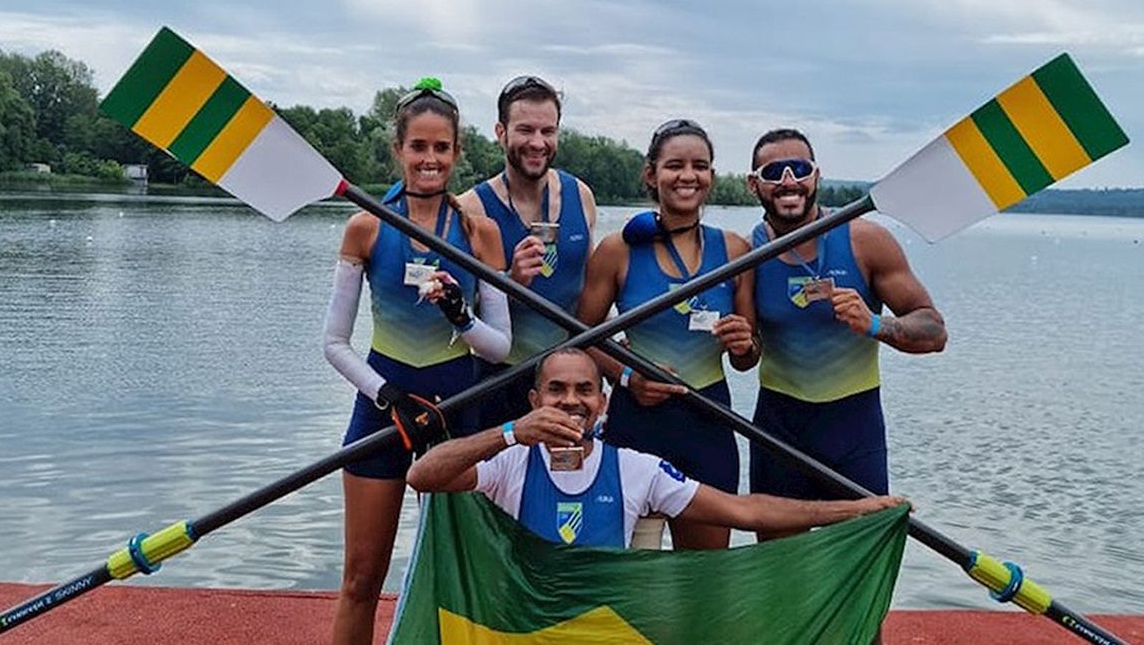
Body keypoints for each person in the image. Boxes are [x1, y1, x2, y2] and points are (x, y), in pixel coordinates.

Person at [322, 78, 512, 644]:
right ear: (399, 151)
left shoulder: (480, 233)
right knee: (360, 579)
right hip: (385, 414)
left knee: (466, 578)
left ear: (457, 152)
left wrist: (461, 315)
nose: (430, 160)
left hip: (457, 414)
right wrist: (389, 395)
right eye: (419, 147)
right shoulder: (366, 226)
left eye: (442, 148)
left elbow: (499, 347)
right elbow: (333, 343)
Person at [406, 348, 906, 548]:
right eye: (556, 390)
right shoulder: (510, 460)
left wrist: (854, 510)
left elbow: (744, 510)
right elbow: (423, 475)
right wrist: (511, 431)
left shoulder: (636, 470)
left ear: (603, 404)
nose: (570, 402)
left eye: (584, 390)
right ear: (536, 399)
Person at [745, 128, 947, 543]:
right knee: (778, 567)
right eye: (773, 171)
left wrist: (876, 325)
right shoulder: (745, 255)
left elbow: (934, 330)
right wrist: (740, 343)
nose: (788, 181)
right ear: (754, 184)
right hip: (779, 429)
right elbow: (746, 357)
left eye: (798, 169)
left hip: (853, 428)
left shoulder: (865, 240)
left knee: (861, 558)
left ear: (816, 176)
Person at [575, 119, 759, 550]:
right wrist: (627, 377)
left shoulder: (735, 250)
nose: (688, 175)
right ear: (651, 174)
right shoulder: (618, 250)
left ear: (712, 175)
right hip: (636, 425)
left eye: (700, 165)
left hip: (709, 423)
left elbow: (748, 358)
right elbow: (580, 336)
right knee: (629, 578)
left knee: (705, 580)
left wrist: (744, 343)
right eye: (675, 165)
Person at [457, 75, 597, 426]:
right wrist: (509, 281)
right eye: (525, 130)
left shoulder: (580, 195)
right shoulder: (471, 208)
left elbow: (587, 295)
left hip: (567, 385)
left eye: (548, 131)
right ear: (501, 132)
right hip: (496, 380)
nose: (538, 143)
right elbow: (455, 315)